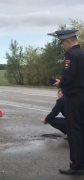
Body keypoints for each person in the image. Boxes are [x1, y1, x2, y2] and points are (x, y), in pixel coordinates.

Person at [48, 30, 84, 175]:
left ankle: (76, 165)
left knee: (74, 131)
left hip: (73, 97)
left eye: (63, 43)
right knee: (81, 129)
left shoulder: (71, 56)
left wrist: (60, 83)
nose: (63, 45)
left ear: (68, 41)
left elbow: (68, 78)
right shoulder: (82, 54)